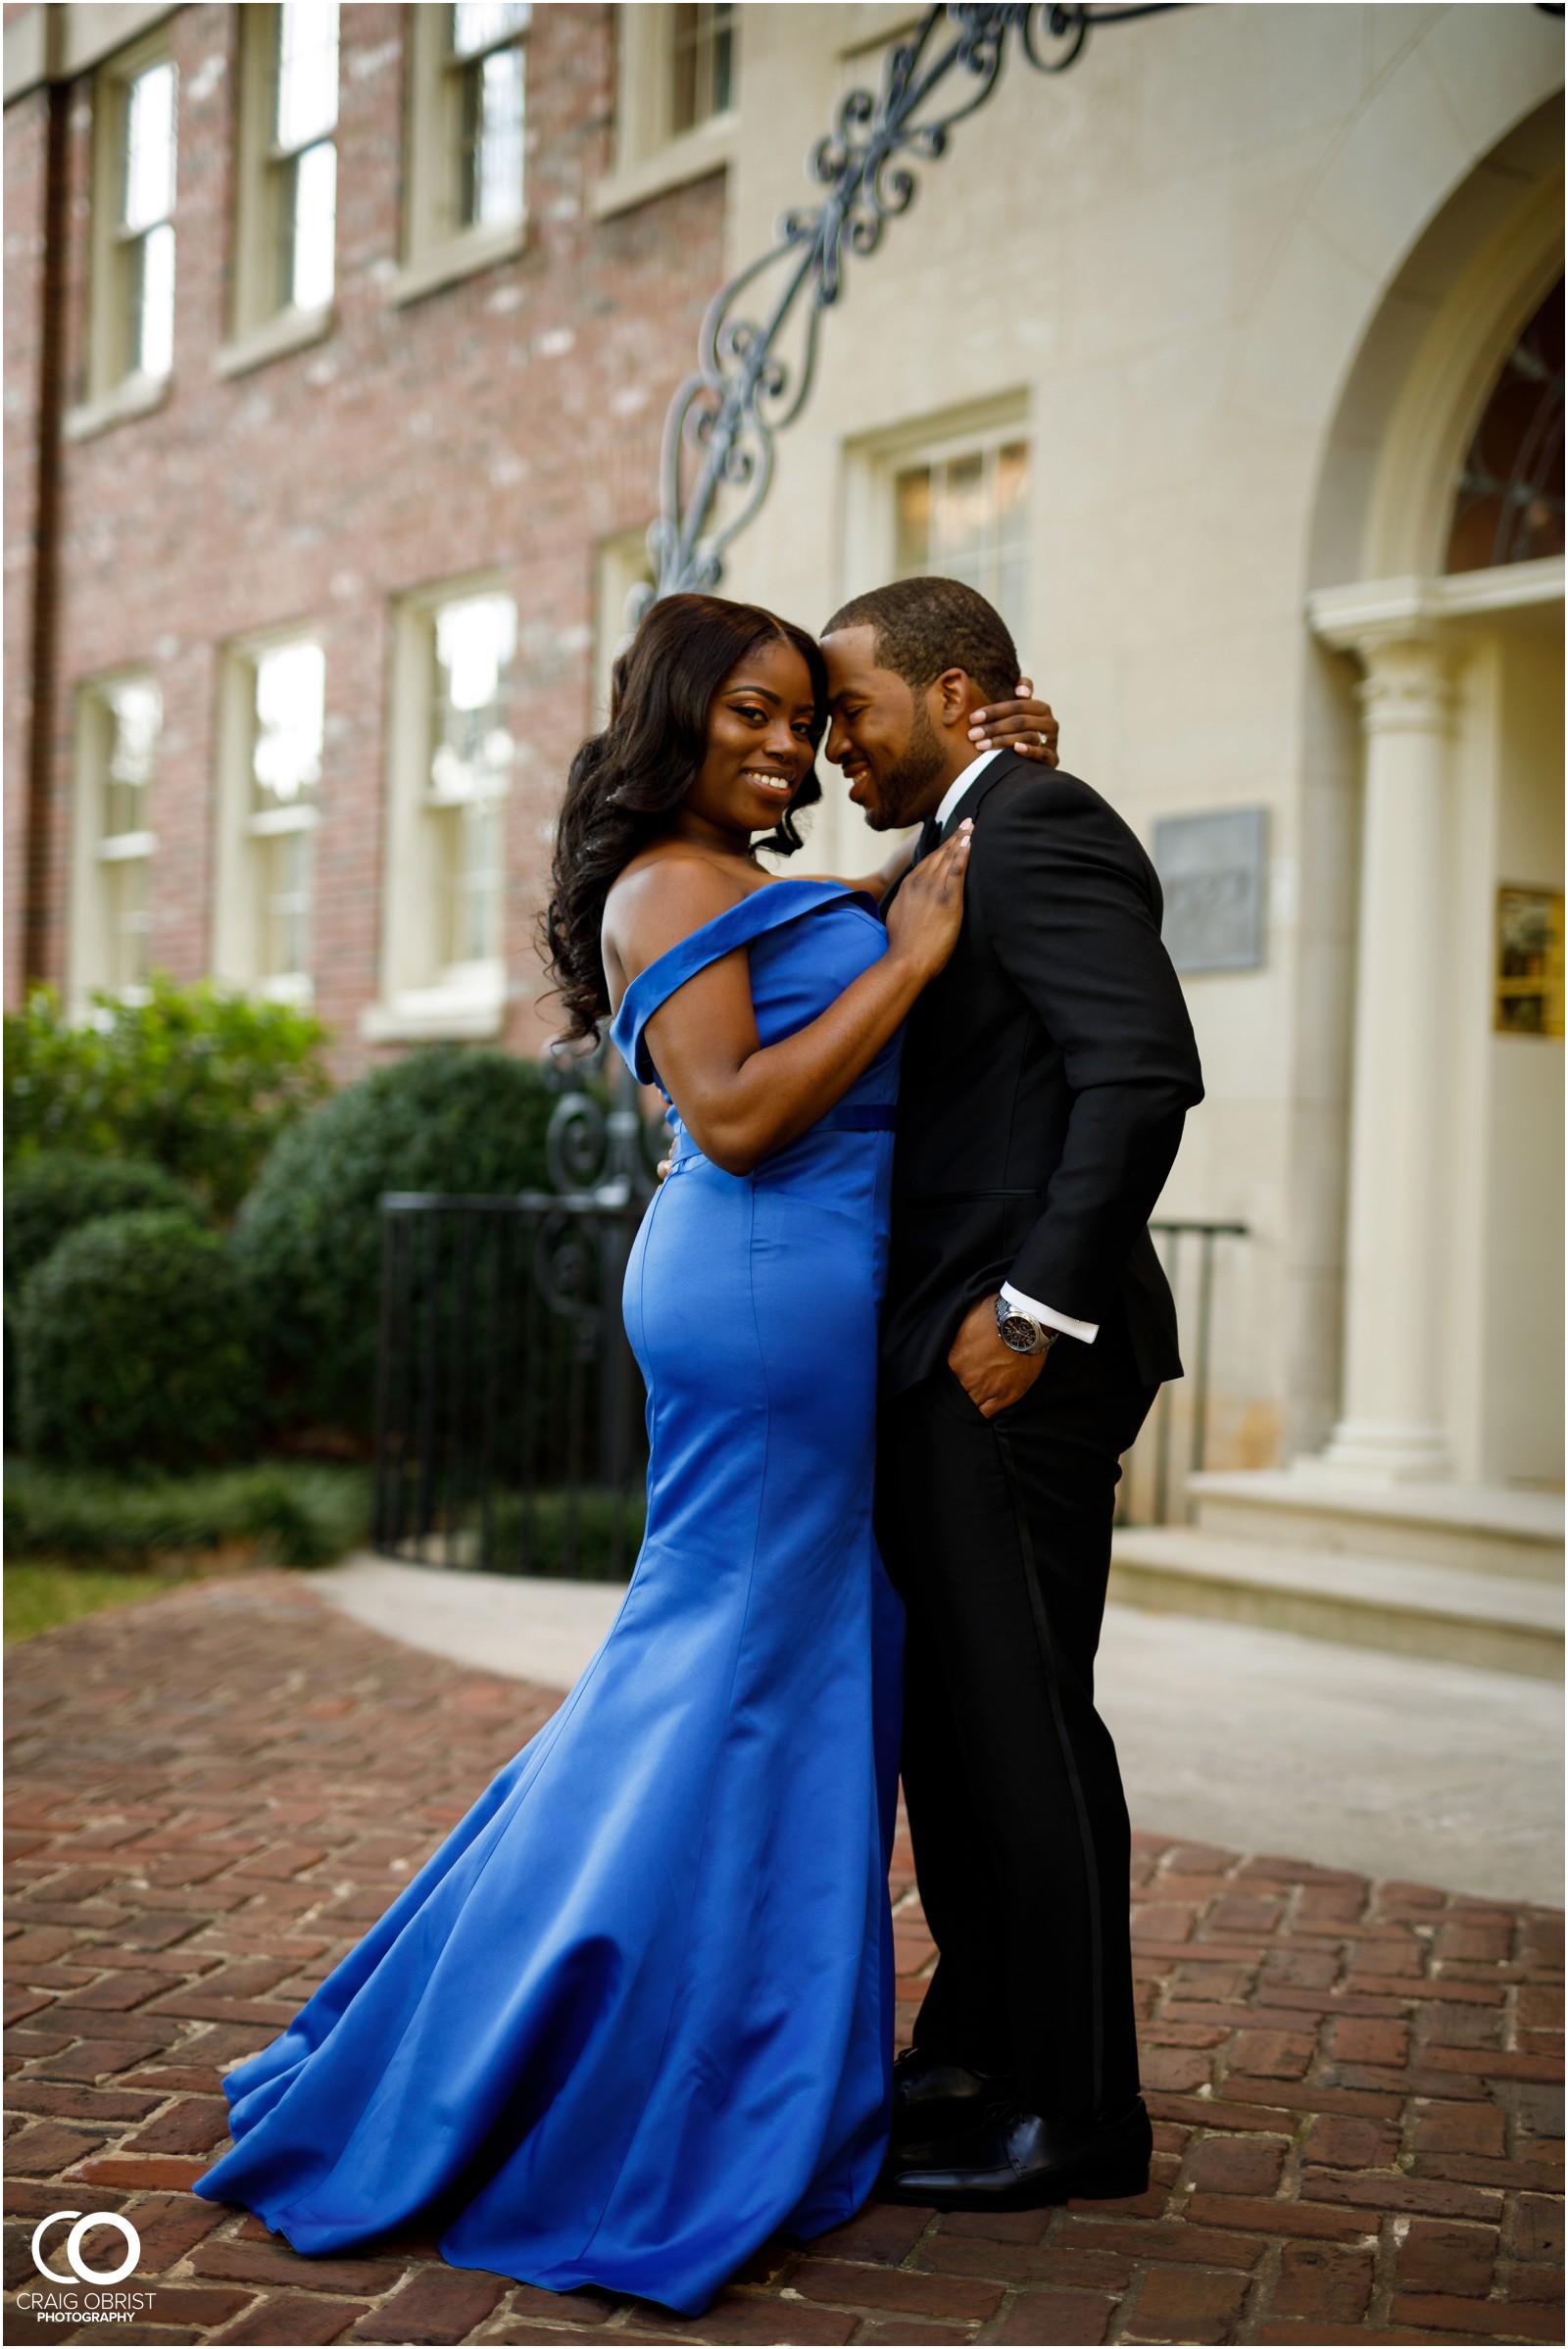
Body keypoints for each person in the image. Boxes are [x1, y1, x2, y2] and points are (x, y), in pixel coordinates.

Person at [191, 592, 1056, 2316]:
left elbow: (861, 931)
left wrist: (978, 788)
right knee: (725, 1665)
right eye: (747, 708)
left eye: (805, 717)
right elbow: (733, 1113)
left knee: (775, 1676)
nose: (782, 742)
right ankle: (582, 2047)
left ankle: (723, 2034)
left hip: (801, 1293)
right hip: (761, 1294)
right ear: (673, 711)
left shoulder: (737, 883)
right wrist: (902, 955)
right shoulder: (661, 878)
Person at [816, 575, 1204, 2211]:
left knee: (1031, 1740)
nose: (837, 741)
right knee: (963, 1744)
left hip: (1012, 1376)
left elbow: (1142, 1070)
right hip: (935, 1366)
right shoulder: (959, 840)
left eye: (856, 710)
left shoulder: (1041, 823)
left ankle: (1084, 2111)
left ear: (957, 691)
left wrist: (1029, 1316)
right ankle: (978, 2055)